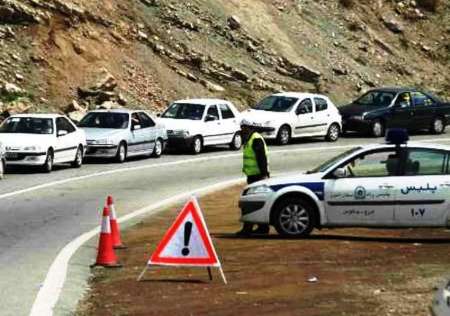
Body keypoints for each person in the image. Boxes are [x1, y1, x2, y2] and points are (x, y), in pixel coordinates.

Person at [237, 119, 271, 236]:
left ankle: (248, 228)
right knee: (256, 201)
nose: (242, 130)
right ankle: (262, 227)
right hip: (253, 176)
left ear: (249, 127)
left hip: (258, 177)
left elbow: (261, 158)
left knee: (249, 203)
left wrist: (264, 175)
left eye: (243, 127)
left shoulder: (255, 139)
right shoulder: (250, 138)